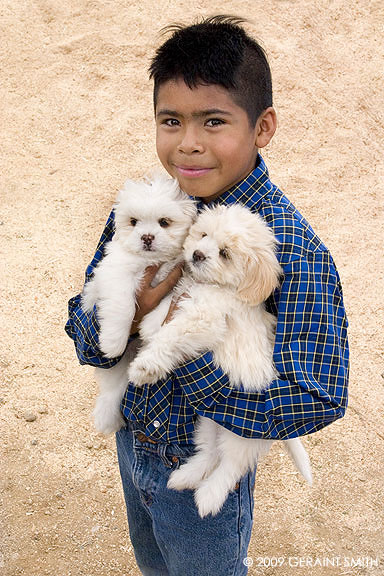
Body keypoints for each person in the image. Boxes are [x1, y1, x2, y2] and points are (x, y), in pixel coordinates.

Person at [65, 15, 349, 576]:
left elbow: (317, 394)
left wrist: (190, 357)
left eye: (213, 121)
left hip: (205, 457)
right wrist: (113, 326)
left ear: (262, 127)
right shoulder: (152, 208)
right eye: (171, 120)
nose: (188, 143)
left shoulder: (290, 247)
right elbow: (87, 315)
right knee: (153, 567)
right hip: (134, 442)